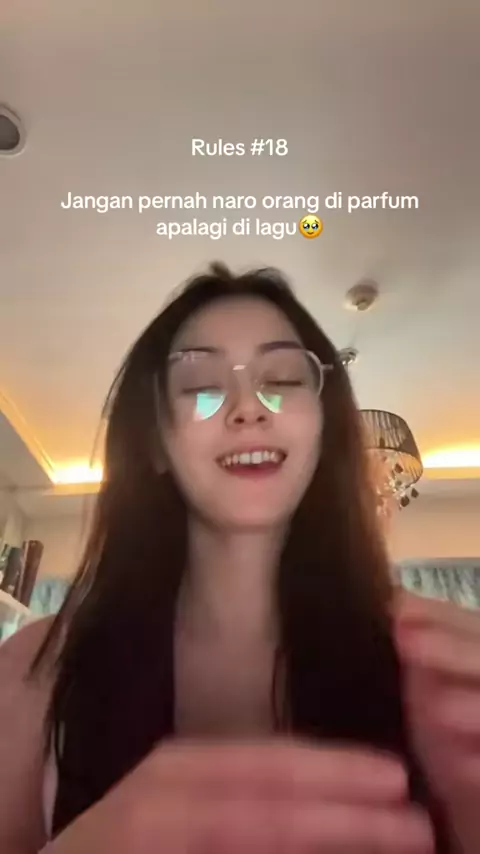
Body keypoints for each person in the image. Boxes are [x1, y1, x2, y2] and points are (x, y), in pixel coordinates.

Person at [0, 262, 478, 853]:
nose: (249, 407)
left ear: (324, 430)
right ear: (155, 442)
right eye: (201, 387)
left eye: (283, 378)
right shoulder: (34, 671)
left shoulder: (436, 668)